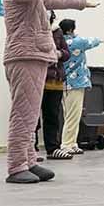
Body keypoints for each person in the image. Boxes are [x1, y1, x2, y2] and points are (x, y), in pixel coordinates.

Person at [0, 0, 96, 184]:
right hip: (25, 56)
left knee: (29, 116)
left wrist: (82, 1)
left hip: (33, 54)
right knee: (24, 115)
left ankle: (29, 161)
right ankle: (17, 165)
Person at [59, 19, 103, 155]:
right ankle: (66, 144)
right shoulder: (76, 42)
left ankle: (72, 143)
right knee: (73, 115)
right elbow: (93, 41)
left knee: (69, 115)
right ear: (70, 30)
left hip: (65, 83)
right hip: (76, 83)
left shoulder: (61, 42)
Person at [34, 10, 73, 161]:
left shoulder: (57, 32)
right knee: (33, 117)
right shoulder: (34, 30)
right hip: (39, 80)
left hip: (55, 81)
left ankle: (53, 148)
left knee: (53, 116)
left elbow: (67, 53)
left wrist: (59, 54)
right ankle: (32, 149)